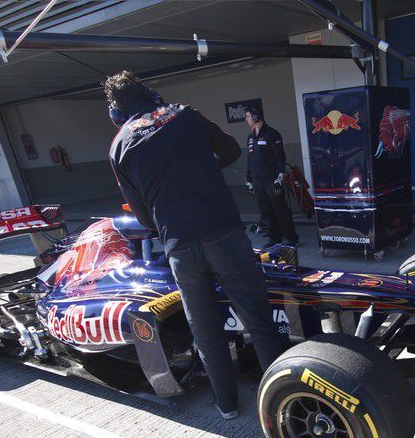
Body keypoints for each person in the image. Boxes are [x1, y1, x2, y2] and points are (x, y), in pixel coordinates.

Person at [105, 71, 284, 419]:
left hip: (179, 245)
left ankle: (227, 405)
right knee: (258, 318)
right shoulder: (183, 113)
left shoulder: (118, 146)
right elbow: (231, 150)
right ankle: (279, 400)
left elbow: (143, 217)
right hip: (223, 232)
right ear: (151, 95)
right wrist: (203, 168)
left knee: (206, 331)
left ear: (116, 114)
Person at [244, 107, 299, 249]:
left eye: (248, 116)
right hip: (257, 181)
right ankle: (275, 238)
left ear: (256, 117)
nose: (246, 119)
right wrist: (249, 179)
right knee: (266, 212)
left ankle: (291, 238)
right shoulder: (250, 137)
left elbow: (280, 157)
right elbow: (250, 160)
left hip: (271, 180)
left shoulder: (272, 134)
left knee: (280, 210)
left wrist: (279, 177)